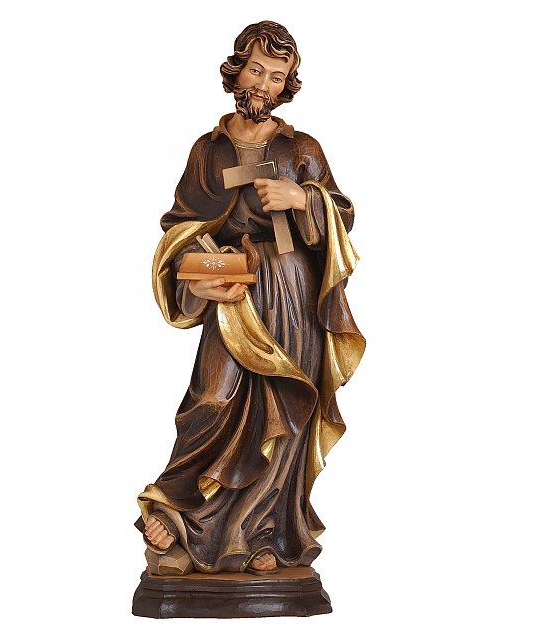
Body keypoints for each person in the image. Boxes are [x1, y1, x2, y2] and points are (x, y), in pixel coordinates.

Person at [136, 20, 365, 575]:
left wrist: (302, 197)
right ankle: (177, 512)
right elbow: (179, 225)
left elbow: (343, 214)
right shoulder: (208, 150)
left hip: (291, 292)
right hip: (235, 290)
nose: (263, 84)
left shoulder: (301, 148)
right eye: (256, 70)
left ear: (288, 85)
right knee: (212, 399)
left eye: (276, 76)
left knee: (284, 411)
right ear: (236, 70)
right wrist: (196, 277)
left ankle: (265, 533)